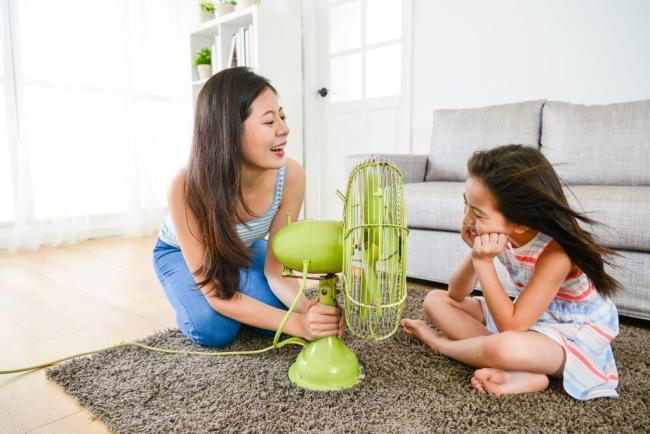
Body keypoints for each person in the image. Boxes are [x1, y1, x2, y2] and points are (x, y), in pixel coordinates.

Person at [401, 144, 620, 400]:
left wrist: (485, 264)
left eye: (478, 213)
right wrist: (475, 255)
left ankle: (444, 345)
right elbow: (456, 293)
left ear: (519, 222)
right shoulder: (502, 233)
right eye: (466, 204)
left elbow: (511, 326)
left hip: (570, 333)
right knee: (434, 301)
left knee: (504, 346)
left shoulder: (557, 254)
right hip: (529, 319)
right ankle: (522, 369)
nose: (468, 219)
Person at [153, 67, 342, 348]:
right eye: (269, 122)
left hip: (244, 249)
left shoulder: (292, 175)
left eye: (282, 116)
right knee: (215, 327)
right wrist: (299, 325)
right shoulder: (184, 186)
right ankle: (196, 303)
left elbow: (276, 271)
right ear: (228, 131)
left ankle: (240, 291)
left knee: (275, 317)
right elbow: (217, 294)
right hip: (179, 253)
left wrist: (307, 311)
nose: (284, 128)